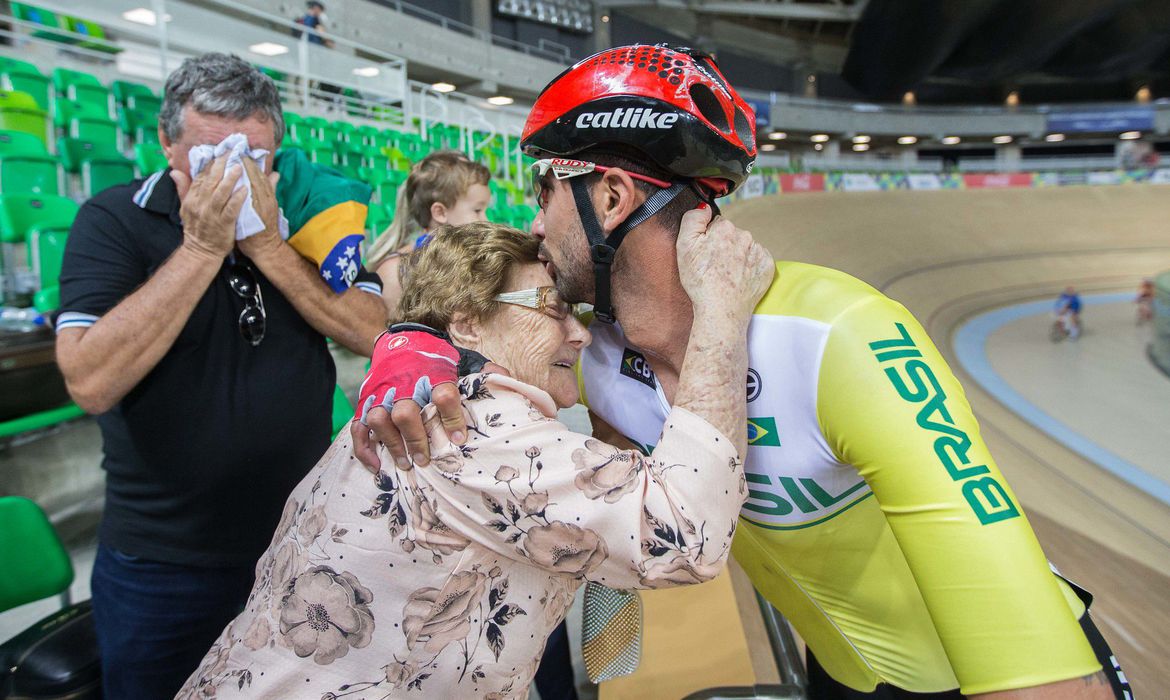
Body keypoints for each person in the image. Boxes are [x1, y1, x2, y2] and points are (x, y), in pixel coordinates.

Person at [355, 44, 1130, 699]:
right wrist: (411, 348)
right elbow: (461, 302)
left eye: (545, 190)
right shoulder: (593, 352)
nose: (533, 221)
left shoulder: (838, 337)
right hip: (839, 677)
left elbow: (1032, 663)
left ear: (612, 197)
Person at [176, 219, 772, 698]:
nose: (582, 335)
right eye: (553, 306)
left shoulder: (436, 397)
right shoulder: (469, 426)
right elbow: (685, 535)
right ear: (465, 323)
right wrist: (721, 310)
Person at [54, 53, 386, 698]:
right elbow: (90, 381)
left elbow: (373, 332)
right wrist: (203, 247)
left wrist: (265, 243)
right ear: (165, 144)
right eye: (211, 158)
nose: (234, 175)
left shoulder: (310, 211)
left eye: (253, 158)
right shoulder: (114, 219)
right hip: (165, 561)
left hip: (300, 540)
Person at [366, 150, 492, 317]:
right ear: (440, 213)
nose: (487, 220)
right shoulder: (397, 271)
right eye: (477, 210)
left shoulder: (481, 263)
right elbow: (383, 337)